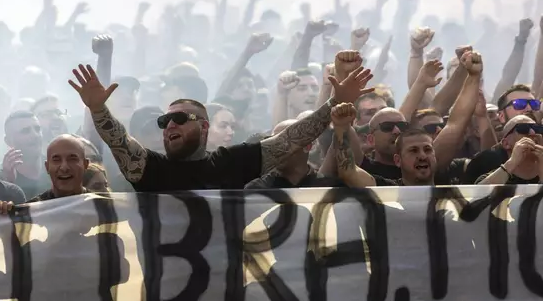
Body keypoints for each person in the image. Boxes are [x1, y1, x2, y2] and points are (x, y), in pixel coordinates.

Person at [69, 62, 374, 192]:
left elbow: (292, 139)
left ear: (204, 127)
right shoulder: (150, 169)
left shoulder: (231, 163)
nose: (168, 125)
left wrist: (335, 103)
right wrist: (98, 108)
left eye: (179, 119)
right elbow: (118, 140)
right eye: (164, 121)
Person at [333, 103, 447, 186]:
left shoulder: (450, 184)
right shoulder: (388, 188)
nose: (422, 156)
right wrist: (340, 127)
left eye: (428, 150)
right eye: (413, 150)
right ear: (398, 160)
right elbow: (349, 172)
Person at [0, 134, 90, 212]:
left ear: (85, 164)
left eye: (72, 159)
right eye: (56, 160)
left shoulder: (101, 206)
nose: (64, 167)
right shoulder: (32, 211)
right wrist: (3, 214)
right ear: (47, 167)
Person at [245, 119, 342, 189]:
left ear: (307, 146)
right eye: (273, 142)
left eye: (284, 141)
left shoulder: (328, 187)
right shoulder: (257, 189)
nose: (276, 148)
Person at [0, 110, 51, 199]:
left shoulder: (56, 168)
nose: (35, 135)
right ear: (8, 141)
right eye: (25, 131)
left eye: (37, 129)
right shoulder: (0, 181)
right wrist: (9, 184)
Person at [476, 115, 543, 184]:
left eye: (536, 128)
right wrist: (511, 163)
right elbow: (480, 192)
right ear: (506, 144)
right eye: (523, 128)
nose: (533, 133)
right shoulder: (497, 175)